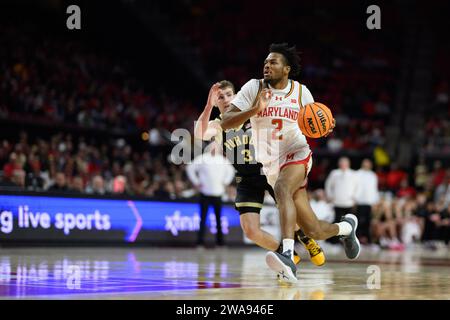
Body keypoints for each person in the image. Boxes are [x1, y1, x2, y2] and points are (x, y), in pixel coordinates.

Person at [221, 43, 360, 283]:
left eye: (273, 62)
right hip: (270, 164)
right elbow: (226, 122)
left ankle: (286, 254)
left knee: (283, 188)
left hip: (296, 153)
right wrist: (255, 109)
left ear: (286, 69)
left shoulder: (300, 92)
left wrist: (325, 127)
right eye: (265, 62)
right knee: (313, 229)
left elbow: (314, 121)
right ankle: (346, 228)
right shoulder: (253, 88)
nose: (267, 65)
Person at [194, 80, 325, 266]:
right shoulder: (218, 125)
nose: (225, 99)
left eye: (229, 94)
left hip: (270, 169)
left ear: (237, 95)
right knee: (250, 231)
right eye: (220, 97)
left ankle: (306, 238)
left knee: (289, 208)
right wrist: (208, 105)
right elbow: (199, 133)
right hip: (247, 178)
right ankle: (287, 255)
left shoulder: (253, 113)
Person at [186, 143, 235, 246]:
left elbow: (231, 172)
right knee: (203, 218)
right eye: (212, 147)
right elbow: (190, 168)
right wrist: (196, 182)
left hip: (218, 193)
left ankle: (220, 242)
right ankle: (200, 242)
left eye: (216, 147)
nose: (214, 149)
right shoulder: (202, 159)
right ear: (209, 148)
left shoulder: (223, 160)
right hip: (205, 193)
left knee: (218, 219)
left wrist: (225, 182)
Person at [325, 157, 359, 243]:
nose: (343, 165)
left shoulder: (353, 174)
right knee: (337, 222)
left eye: (345, 163)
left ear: (348, 164)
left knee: (349, 222)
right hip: (337, 202)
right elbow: (328, 185)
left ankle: (349, 241)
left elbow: (357, 187)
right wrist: (330, 196)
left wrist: (355, 197)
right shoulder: (334, 173)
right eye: (342, 163)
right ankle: (336, 241)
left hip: (349, 202)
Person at [355, 159, 380, 244]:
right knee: (358, 222)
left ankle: (367, 240)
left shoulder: (373, 175)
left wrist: (375, 201)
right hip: (359, 201)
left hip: (369, 202)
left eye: (368, 164)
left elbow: (374, 189)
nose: (366, 165)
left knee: (368, 222)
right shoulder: (357, 174)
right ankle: (357, 239)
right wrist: (354, 199)